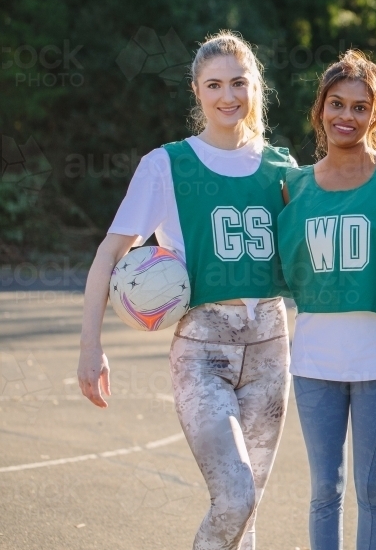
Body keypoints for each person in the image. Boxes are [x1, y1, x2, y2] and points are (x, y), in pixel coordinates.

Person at [77, 31, 296, 550]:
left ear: (255, 88)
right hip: (203, 351)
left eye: (239, 83)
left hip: (270, 346)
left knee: (248, 512)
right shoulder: (167, 164)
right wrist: (91, 345)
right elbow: (108, 255)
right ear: (196, 91)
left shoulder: (283, 168)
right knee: (235, 499)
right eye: (214, 84)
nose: (228, 96)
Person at [277, 50, 376, 550]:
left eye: (360, 107)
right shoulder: (293, 187)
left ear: (375, 116)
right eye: (337, 103)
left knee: (372, 491)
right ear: (319, 110)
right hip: (314, 360)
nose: (346, 116)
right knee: (323, 491)